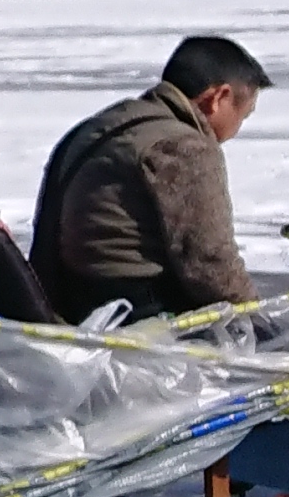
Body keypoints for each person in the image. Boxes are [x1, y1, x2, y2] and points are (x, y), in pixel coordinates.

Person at [32, 35, 270, 323]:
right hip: (134, 308)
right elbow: (209, 264)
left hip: (70, 298)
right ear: (218, 98)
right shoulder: (183, 145)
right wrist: (262, 322)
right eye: (243, 115)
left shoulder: (102, 126)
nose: (237, 129)